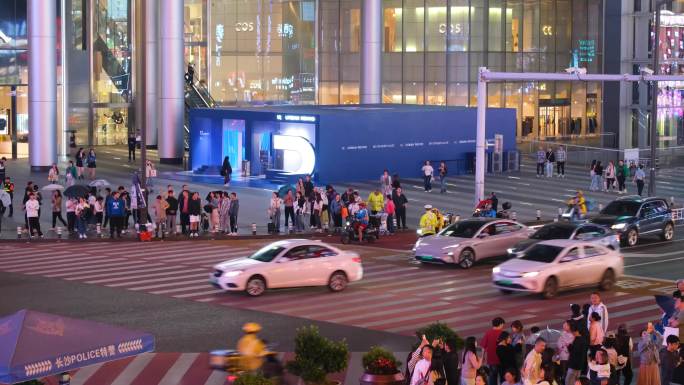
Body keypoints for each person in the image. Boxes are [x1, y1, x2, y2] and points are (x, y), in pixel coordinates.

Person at [482, 317, 506, 385]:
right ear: (501, 324)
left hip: (491, 361)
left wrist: (483, 357)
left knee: (492, 379)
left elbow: (483, 347)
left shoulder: (488, 333)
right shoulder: (503, 334)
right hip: (502, 360)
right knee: (503, 378)